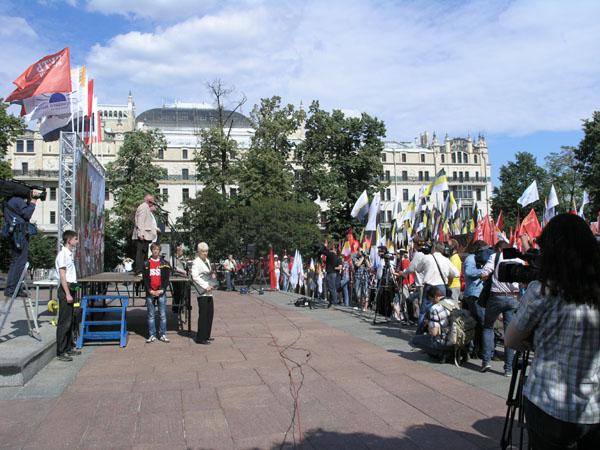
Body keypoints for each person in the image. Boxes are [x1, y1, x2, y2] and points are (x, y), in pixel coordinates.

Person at [505, 214, 600, 449]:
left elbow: (511, 340)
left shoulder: (542, 291)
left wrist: (539, 341)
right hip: (593, 408)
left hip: (548, 403)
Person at [480, 240, 524, 374]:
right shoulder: (518, 259)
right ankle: (508, 369)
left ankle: (486, 361)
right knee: (509, 331)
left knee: (488, 327)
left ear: (499, 249)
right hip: (513, 298)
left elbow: (483, 274)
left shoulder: (495, 257)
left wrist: (491, 276)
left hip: (496, 296)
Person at [3, 189, 42, 300]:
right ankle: (13, 289)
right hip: (19, 234)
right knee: (20, 262)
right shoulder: (18, 200)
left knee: (15, 261)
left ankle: (12, 288)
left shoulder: (8, 200)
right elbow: (27, 214)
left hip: (12, 233)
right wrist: (33, 201)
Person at [411, 286, 457, 360]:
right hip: (457, 337)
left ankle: (440, 353)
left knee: (415, 340)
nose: (431, 302)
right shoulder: (452, 302)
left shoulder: (435, 308)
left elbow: (434, 333)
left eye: (431, 299)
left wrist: (429, 324)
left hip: (445, 340)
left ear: (435, 297)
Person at [462, 240, 491, 358]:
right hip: (474, 294)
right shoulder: (470, 258)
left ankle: (476, 349)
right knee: (481, 322)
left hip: (478, 294)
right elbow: (469, 272)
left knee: (479, 323)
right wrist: (484, 272)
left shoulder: (479, 259)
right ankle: (475, 349)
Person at [55, 230, 80, 362]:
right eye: (75, 239)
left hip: (71, 288)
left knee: (70, 320)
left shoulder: (69, 254)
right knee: (64, 322)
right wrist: (68, 293)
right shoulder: (63, 254)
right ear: (69, 240)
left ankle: (69, 347)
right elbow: (63, 276)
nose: (77, 241)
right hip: (66, 290)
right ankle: (61, 351)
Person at [142, 242, 171, 343]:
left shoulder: (165, 263)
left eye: (157, 249)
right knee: (151, 315)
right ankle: (152, 335)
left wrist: (162, 289)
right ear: (151, 250)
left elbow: (166, 279)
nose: (155, 251)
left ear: (159, 251)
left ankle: (163, 334)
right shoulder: (146, 263)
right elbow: (145, 279)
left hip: (161, 292)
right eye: (154, 249)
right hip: (150, 292)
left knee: (162, 315)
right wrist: (150, 290)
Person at [191, 242, 216, 344]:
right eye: (203, 251)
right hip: (202, 291)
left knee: (210, 313)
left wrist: (212, 276)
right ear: (199, 251)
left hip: (209, 290)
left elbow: (208, 273)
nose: (205, 253)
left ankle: (207, 335)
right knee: (203, 314)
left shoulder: (207, 260)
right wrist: (206, 286)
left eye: (206, 251)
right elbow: (195, 277)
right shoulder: (196, 262)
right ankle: (200, 338)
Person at [132, 194, 159, 275]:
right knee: (140, 253)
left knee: (144, 253)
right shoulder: (144, 207)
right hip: (143, 235)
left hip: (146, 235)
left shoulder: (146, 207)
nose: (153, 203)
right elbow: (140, 221)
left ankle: (143, 270)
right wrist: (141, 233)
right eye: (152, 201)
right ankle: (139, 271)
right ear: (149, 201)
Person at [171, 244, 188, 313]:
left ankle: (182, 307)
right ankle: (176, 308)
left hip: (183, 278)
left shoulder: (183, 258)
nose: (182, 252)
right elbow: (174, 267)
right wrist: (183, 271)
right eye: (181, 250)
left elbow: (186, 267)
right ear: (177, 251)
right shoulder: (172, 258)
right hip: (176, 278)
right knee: (177, 292)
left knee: (183, 293)